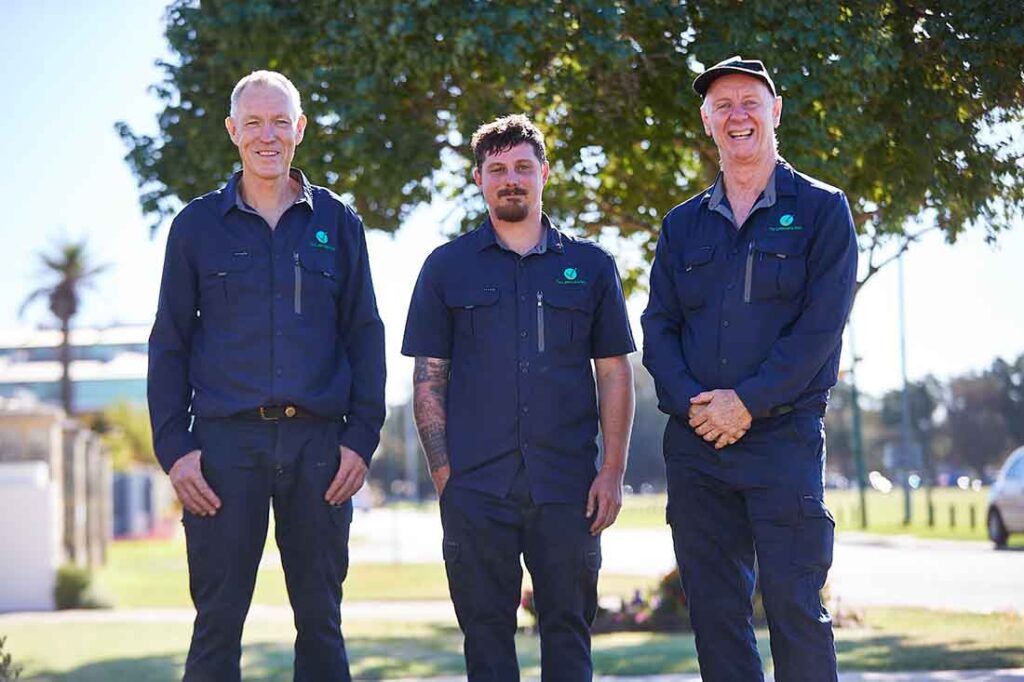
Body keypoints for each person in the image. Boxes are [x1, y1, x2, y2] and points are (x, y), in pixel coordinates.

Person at [147, 70, 385, 682]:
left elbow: (365, 334)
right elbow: (169, 342)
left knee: (322, 624)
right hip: (224, 450)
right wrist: (175, 449)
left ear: (300, 129)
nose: (267, 135)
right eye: (253, 123)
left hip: (319, 449)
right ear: (233, 131)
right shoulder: (195, 227)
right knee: (217, 625)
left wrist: (361, 439)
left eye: (280, 121)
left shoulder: (340, 224)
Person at [641, 56, 857, 681]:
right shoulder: (681, 226)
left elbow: (820, 329)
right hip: (697, 446)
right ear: (707, 122)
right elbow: (659, 329)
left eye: (750, 102)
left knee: (794, 608)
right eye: (723, 106)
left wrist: (747, 403)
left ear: (775, 111)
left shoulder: (822, 210)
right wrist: (696, 405)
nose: (738, 115)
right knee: (715, 617)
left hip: (783, 440)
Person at [402, 114, 636, 680]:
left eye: (523, 167)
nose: (511, 179)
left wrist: (612, 472)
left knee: (569, 638)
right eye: (498, 169)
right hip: (477, 489)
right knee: (486, 644)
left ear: (544, 174)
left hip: (569, 489)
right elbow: (429, 380)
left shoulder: (591, 266)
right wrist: (447, 480)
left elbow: (614, 373)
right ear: (479, 179)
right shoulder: (445, 268)